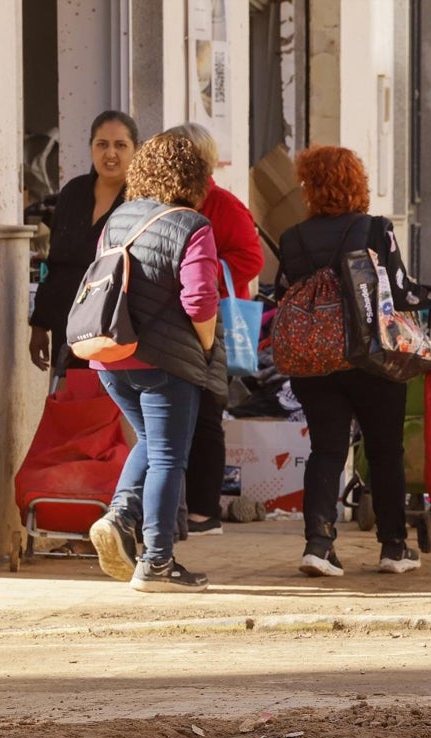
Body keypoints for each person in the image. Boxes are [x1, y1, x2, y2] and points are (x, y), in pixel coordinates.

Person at [275, 145, 431, 577]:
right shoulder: (374, 229)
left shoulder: (292, 238)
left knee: (325, 449)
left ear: (310, 188)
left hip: (315, 362)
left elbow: (282, 292)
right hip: (371, 358)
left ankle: (318, 546)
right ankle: (393, 548)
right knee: (384, 450)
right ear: (356, 183)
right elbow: (400, 292)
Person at [87, 133, 225, 593]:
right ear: (195, 176)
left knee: (148, 442)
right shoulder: (192, 224)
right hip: (165, 362)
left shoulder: (117, 219)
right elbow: (201, 299)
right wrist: (206, 347)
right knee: (168, 456)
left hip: (110, 356)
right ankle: (158, 563)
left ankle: (122, 515)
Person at [163, 122, 265, 537]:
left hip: (213, 319)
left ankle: (204, 511)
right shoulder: (164, 200)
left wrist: (201, 280)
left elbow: (250, 260)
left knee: (206, 413)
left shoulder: (223, 204)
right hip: (169, 320)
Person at [29, 111, 138, 371]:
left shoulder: (141, 202)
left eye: (120, 145)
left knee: (108, 410)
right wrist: (39, 324)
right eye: (102, 144)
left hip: (118, 333)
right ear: (91, 148)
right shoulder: (72, 193)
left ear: (135, 150)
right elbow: (52, 263)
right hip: (67, 326)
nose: (110, 153)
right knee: (69, 405)